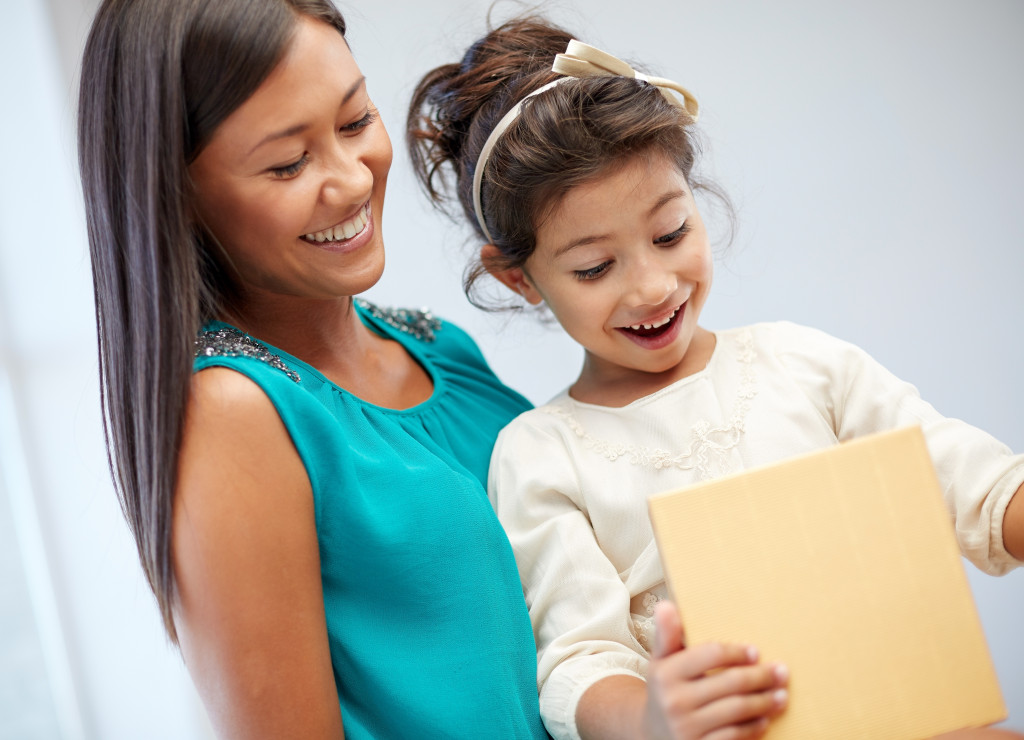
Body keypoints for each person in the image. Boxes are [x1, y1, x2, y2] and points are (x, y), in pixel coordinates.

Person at [406, 16, 1024, 740]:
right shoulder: (542, 453)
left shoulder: (802, 365)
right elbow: (578, 662)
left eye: (671, 234)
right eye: (594, 268)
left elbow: (973, 484)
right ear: (518, 278)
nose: (651, 286)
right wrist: (650, 717)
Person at [77, 1, 551, 737]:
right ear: (180, 198)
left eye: (356, 120)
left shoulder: (442, 348)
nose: (351, 180)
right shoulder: (235, 412)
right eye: (288, 162)